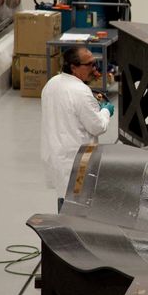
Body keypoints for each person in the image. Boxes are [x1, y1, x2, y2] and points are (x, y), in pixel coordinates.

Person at [40, 46, 115, 206]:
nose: (93, 68)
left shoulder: (52, 84)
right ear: (73, 67)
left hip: (58, 156)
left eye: (94, 63)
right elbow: (98, 126)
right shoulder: (80, 91)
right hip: (77, 161)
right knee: (77, 208)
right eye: (89, 64)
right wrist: (105, 111)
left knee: (64, 200)